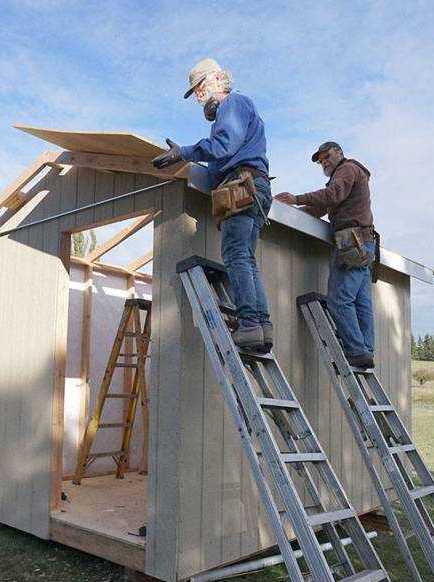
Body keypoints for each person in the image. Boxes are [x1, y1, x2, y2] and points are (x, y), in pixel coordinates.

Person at [152, 58, 273, 352]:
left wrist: (184, 153)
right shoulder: (238, 109)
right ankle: (260, 327)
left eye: (201, 86)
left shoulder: (233, 104)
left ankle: (249, 324)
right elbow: (221, 158)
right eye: (194, 92)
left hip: (242, 186)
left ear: (219, 80)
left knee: (236, 255)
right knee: (245, 257)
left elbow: (224, 146)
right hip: (251, 187)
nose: (198, 95)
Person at [275, 142, 376, 368]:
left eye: (327, 157)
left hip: (352, 241)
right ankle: (366, 350)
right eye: (320, 161)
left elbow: (332, 195)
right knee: (361, 302)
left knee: (340, 300)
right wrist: (290, 212)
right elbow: (323, 207)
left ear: (340, 153)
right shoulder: (350, 176)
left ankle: (356, 350)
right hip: (365, 243)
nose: (324, 162)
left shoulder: (347, 169)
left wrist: (296, 198)